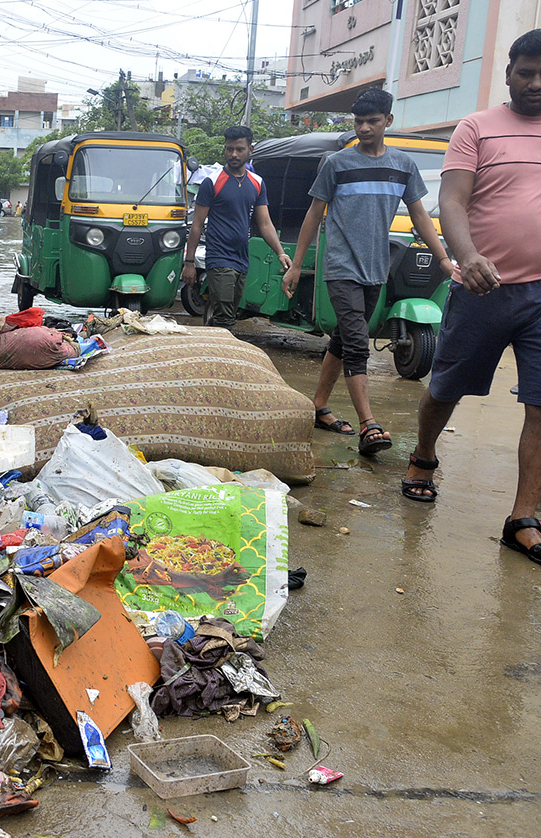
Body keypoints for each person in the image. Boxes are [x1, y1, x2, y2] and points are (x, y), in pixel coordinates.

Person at [402, 29, 541, 563]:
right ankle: (424, 456)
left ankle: (523, 517)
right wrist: (468, 257)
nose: (534, 83)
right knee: (445, 387)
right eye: (525, 71)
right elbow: (452, 202)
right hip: (484, 289)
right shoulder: (477, 128)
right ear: (508, 73)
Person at [282, 88, 449, 455]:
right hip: (341, 266)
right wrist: (296, 264)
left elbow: (420, 216)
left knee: (343, 339)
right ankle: (368, 425)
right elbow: (314, 213)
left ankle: (319, 407)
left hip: (376, 268)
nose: (365, 128)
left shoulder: (403, 165)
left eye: (372, 121)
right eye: (359, 121)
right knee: (358, 344)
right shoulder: (336, 164)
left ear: (388, 121)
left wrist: (443, 258)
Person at [182, 125, 289, 329]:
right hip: (218, 257)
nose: (233, 154)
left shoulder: (257, 183)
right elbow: (196, 225)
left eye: (239, 149)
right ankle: (223, 358)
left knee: (229, 312)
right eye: (229, 149)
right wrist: (189, 263)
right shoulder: (212, 182)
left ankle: (209, 349)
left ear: (251, 150)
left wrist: (280, 253)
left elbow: (265, 223)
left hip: (242, 259)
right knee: (225, 316)